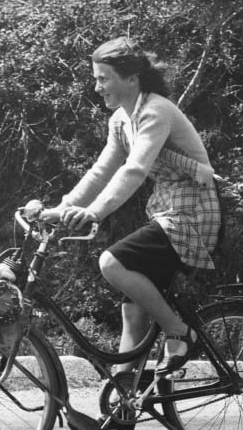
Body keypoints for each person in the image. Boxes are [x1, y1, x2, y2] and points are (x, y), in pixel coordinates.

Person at [47, 37, 220, 377]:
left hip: (195, 213)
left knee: (112, 262)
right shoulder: (121, 121)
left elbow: (135, 170)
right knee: (133, 312)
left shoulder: (156, 111)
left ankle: (180, 332)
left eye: (103, 78)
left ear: (131, 78)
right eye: (96, 78)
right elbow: (100, 172)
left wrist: (94, 212)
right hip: (168, 212)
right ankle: (125, 394)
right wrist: (62, 207)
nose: (98, 87)